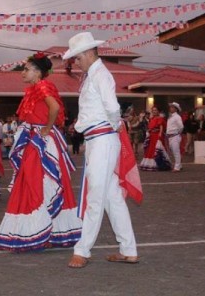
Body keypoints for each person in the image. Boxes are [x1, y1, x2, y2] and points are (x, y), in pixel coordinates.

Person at [62, 32, 140, 269]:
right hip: (99, 139)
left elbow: (113, 107)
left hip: (103, 139)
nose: (76, 62)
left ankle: (82, 250)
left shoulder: (100, 75)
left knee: (95, 196)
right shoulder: (93, 75)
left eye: (77, 58)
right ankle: (128, 249)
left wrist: (113, 127)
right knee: (111, 197)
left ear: (87, 53)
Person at [0, 52, 82, 252]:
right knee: (35, 182)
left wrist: (45, 128)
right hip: (35, 139)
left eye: (26, 69)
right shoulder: (35, 88)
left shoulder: (42, 86)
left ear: (37, 72)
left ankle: (36, 230)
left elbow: (53, 108)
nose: (22, 73)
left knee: (34, 182)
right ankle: (47, 230)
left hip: (40, 141)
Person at [139, 106, 171, 171]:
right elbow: (150, 127)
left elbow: (161, 127)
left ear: (158, 111)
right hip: (151, 136)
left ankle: (159, 164)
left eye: (155, 110)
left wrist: (160, 136)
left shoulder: (160, 118)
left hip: (157, 136)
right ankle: (151, 164)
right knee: (150, 149)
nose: (154, 111)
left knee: (156, 149)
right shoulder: (152, 118)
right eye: (153, 110)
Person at [166, 102, 184, 172]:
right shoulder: (171, 116)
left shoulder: (177, 117)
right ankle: (179, 165)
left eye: (172, 107)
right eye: (170, 107)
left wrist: (177, 133)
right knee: (174, 152)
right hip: (171, 136)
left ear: (176, 109)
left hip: (174, 136)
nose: (170, 108)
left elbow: (181, 127)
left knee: (176, 152)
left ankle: (177, 167)